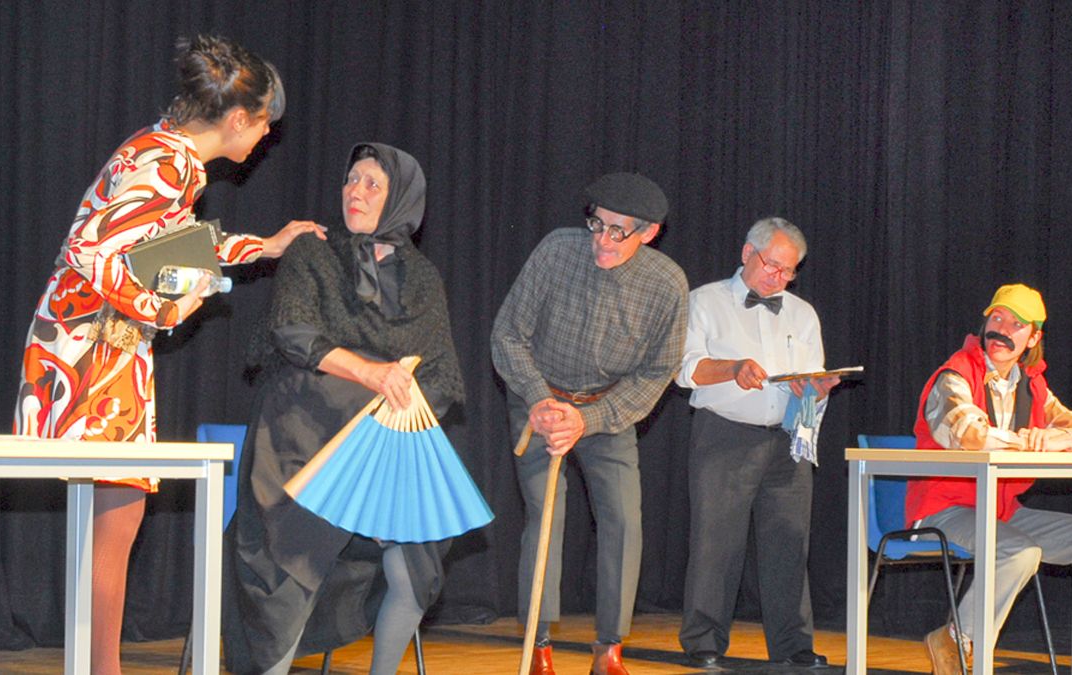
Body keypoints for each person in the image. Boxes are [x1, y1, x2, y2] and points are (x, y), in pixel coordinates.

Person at [11, 35, 322, 674]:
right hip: (96, 355)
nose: (265, 138)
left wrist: (261, 246)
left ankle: (100, 669)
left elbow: (168, 248)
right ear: (239, 119)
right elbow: (95, 255)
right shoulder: (170, 164)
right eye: (264, 124)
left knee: (114, 519)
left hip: (94, 348)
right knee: (118, 519)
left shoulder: (163, 148)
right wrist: (173, 305)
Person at [222, 142, 465, 675]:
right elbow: (291, 331)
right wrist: (371, 372)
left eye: (372, 184)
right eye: (351, 179)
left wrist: (400, 404)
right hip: (301, 431)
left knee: (419, 549)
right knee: (290, 555)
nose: (355, 191)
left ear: (400, 198)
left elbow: (443, 374)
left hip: (380, 441)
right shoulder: (313, 250)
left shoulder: (422, 278)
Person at [491, 172, 688, 675]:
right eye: (597, 224)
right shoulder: (557, 251)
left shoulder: (666, 284)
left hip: (607, 411)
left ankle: (609, 648)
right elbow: (508, 335)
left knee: (623, 519)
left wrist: (591, 418)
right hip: (540, 401)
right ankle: (538, 644)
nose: (602, 240)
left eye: (618, 231)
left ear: (650, 233)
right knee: (546, 516)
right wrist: (538, 400)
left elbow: (654, 376)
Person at [910, 284, 1072, 675]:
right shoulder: (956, 374)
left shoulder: (1033, 386)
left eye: (1016, 324)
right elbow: (968, 434)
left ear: (1033, 338)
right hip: (944, 510)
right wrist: (1029, 442)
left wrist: (1053, 437)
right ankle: (955, 639)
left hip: (1002, 511)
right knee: (1019, 551)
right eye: (996, 318)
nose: (1001, 329)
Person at [675, 218, 837, 670]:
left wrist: (817, 387)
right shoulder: (704, 301)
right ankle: (704, 642)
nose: (779, 278)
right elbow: (685, 369)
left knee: (789, 543)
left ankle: (793, 645)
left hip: (788, 438)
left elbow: (809, 375)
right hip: (724, 434)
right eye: (773, 265)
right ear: (748, 253)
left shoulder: (802, 314)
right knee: (716, 544)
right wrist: (732, 368)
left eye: (789, 271)